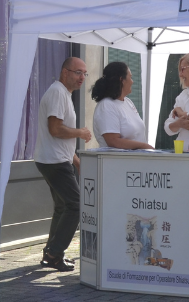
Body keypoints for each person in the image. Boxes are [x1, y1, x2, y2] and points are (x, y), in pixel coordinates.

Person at [34, 56, 92, 272]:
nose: (82, 77)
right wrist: (81, 132)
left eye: (85, 73)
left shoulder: (62, 93)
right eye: (78, 72)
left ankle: (51, 252)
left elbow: (58, 136)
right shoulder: (58, 92)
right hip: (54, 162)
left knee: (62, 207)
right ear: (65, 72)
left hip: (54, 159)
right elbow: (55, 130)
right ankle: (54, 253)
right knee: (75, 205)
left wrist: (75, 161)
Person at [91, 61, 154, 150]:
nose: (132, 82)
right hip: (118, 162)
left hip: (135, 161)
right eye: (130, 77)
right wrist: (144, 146)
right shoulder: (106, 106)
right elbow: (113, 141)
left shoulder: (128, 102)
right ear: (122, 80)